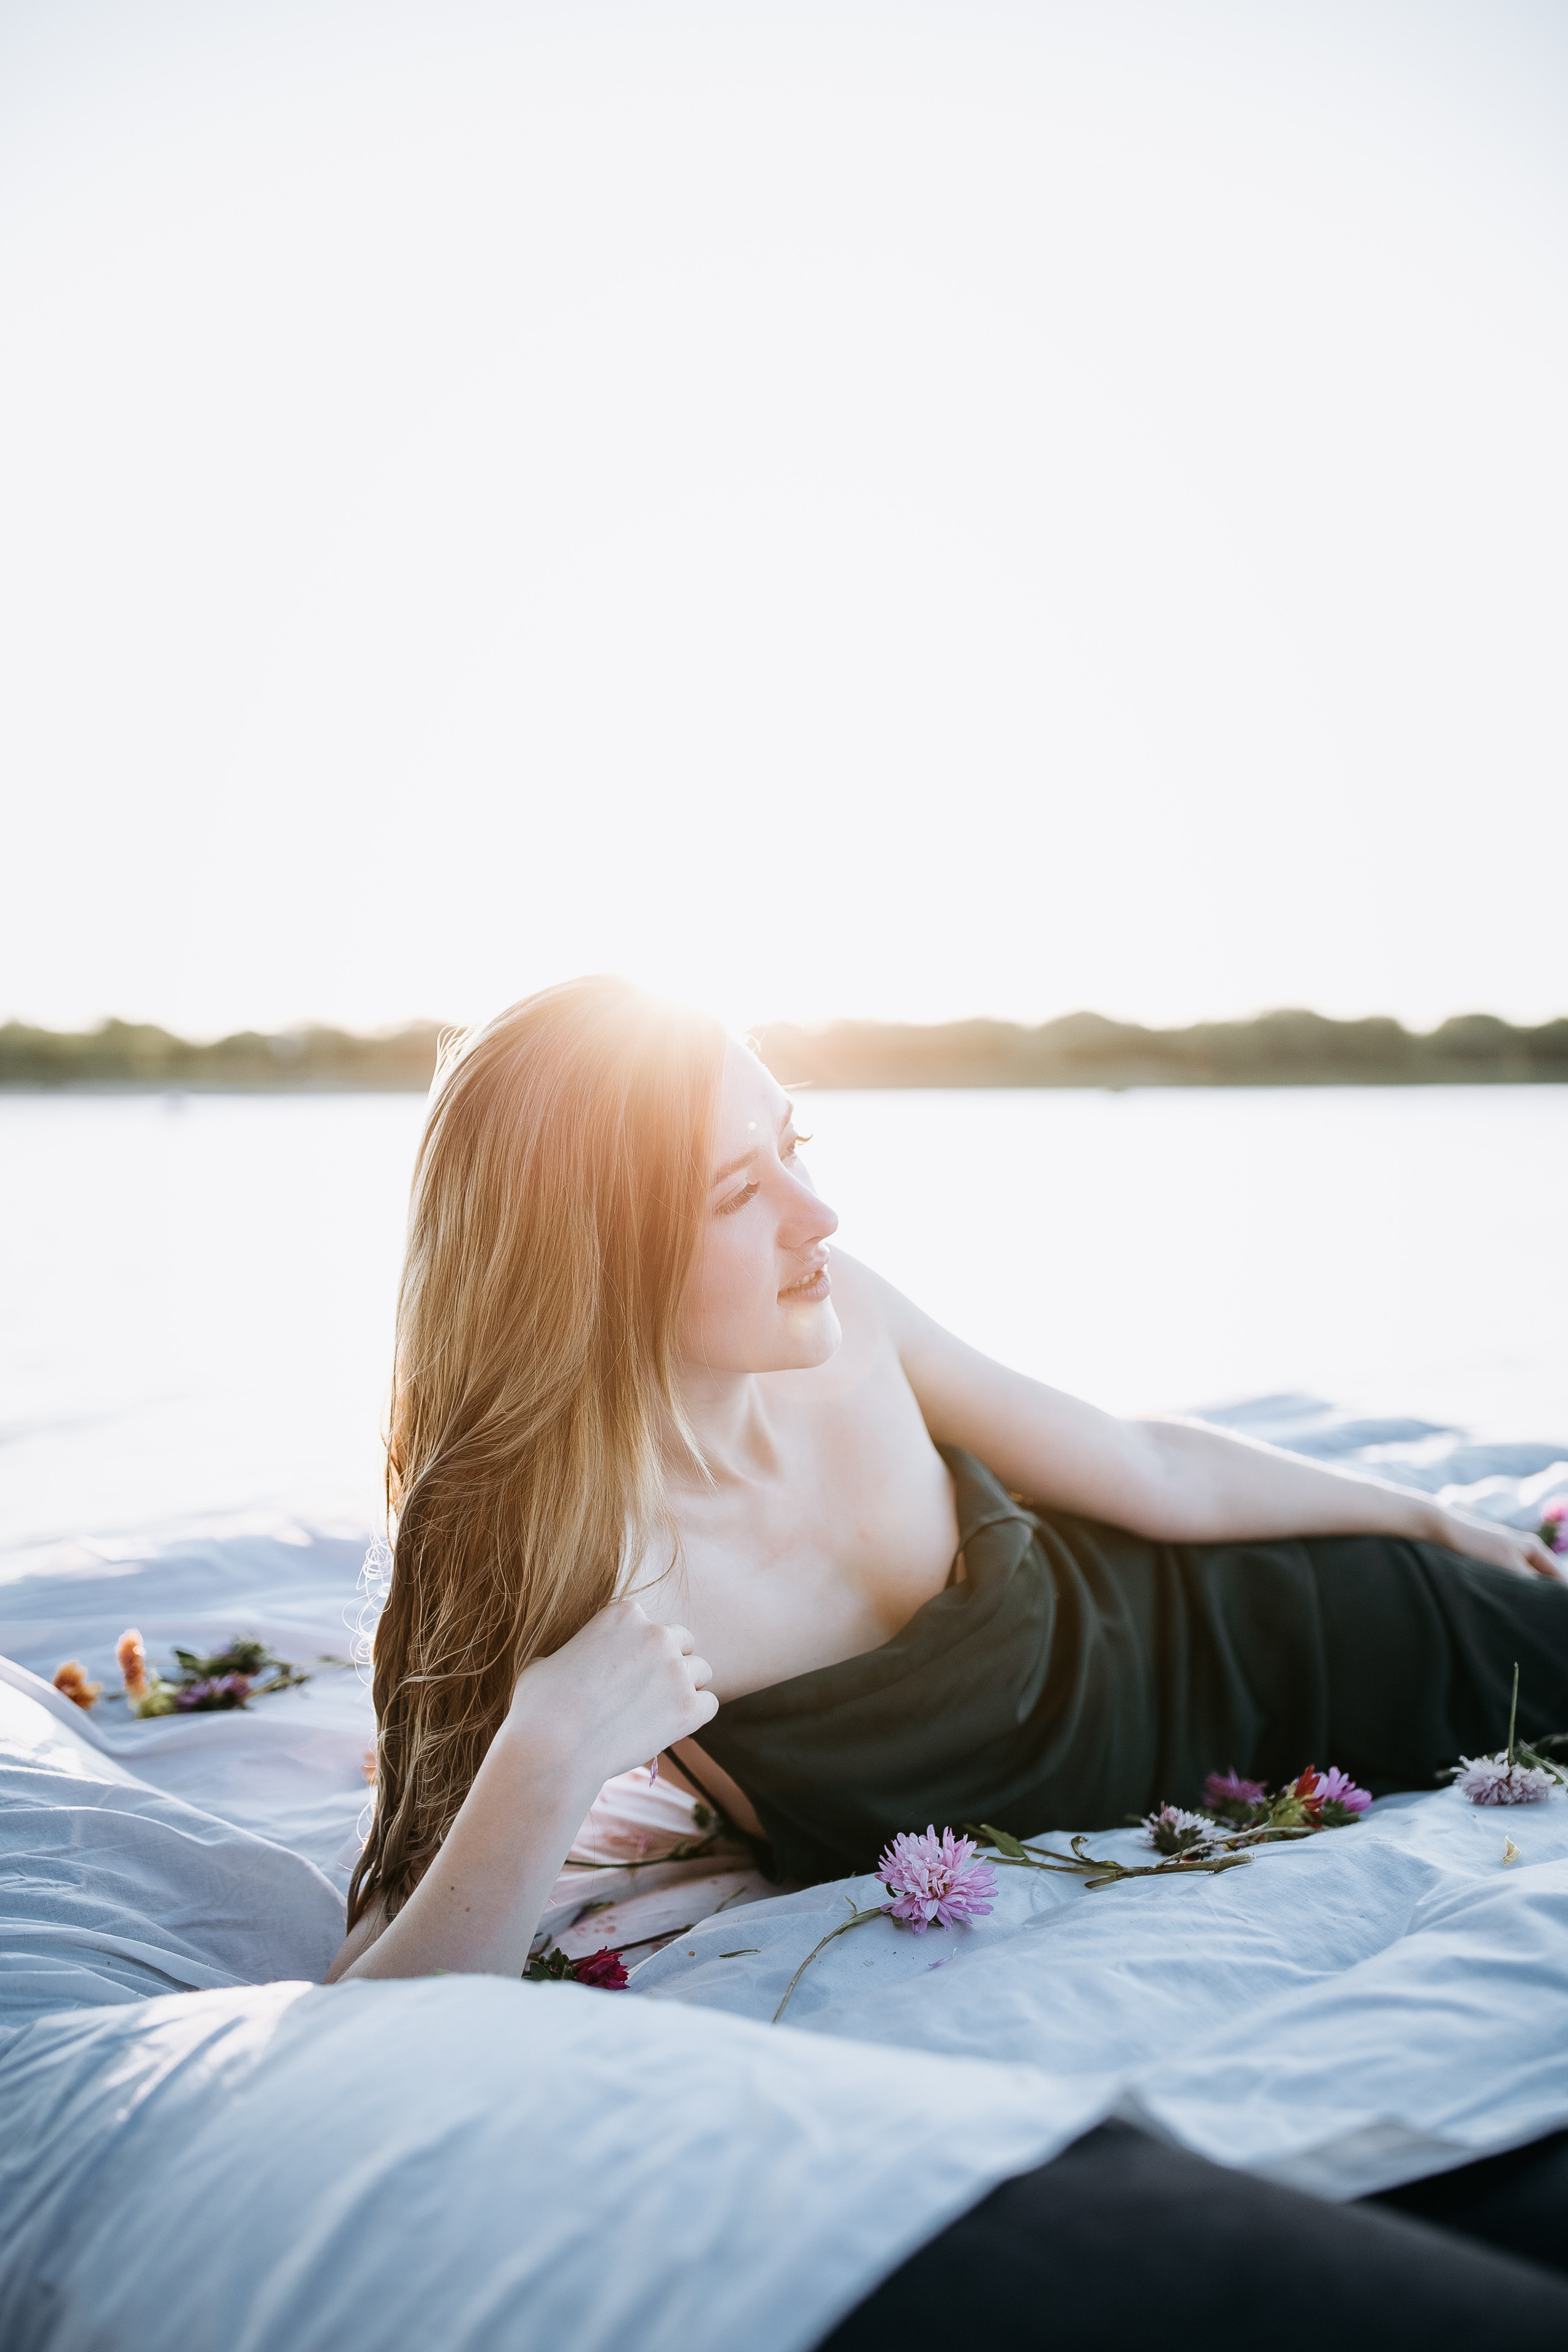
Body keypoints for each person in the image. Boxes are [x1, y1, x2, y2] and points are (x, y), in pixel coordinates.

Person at [327, 975, 1564, 1984]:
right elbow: (372, 2002)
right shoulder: (533, 1554)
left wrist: (1427, 1517)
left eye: (792, 1145)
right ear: (586, 1265)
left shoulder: (847, 1318)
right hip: (1227, 1767)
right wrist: (542, 1758)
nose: (817, 1212)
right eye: (734, 1192)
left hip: (1310, 1626)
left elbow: (1147, 1468)